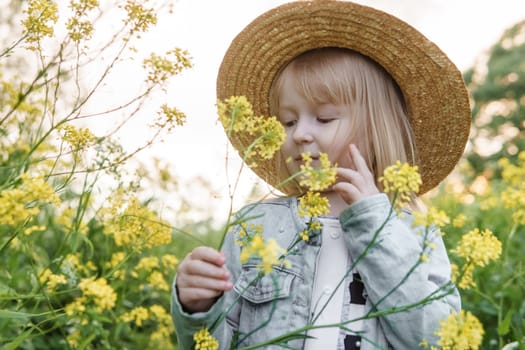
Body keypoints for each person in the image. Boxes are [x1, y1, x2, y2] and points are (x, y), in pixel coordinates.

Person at [171, 1, 471, 349]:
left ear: (377, 131)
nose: (299, 134)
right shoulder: (254, 226)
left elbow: (436, 340)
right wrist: (197, 307)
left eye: (324, 118)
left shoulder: (412, 232)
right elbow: (211, 344)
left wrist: (375, 224)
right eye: (288, 121)